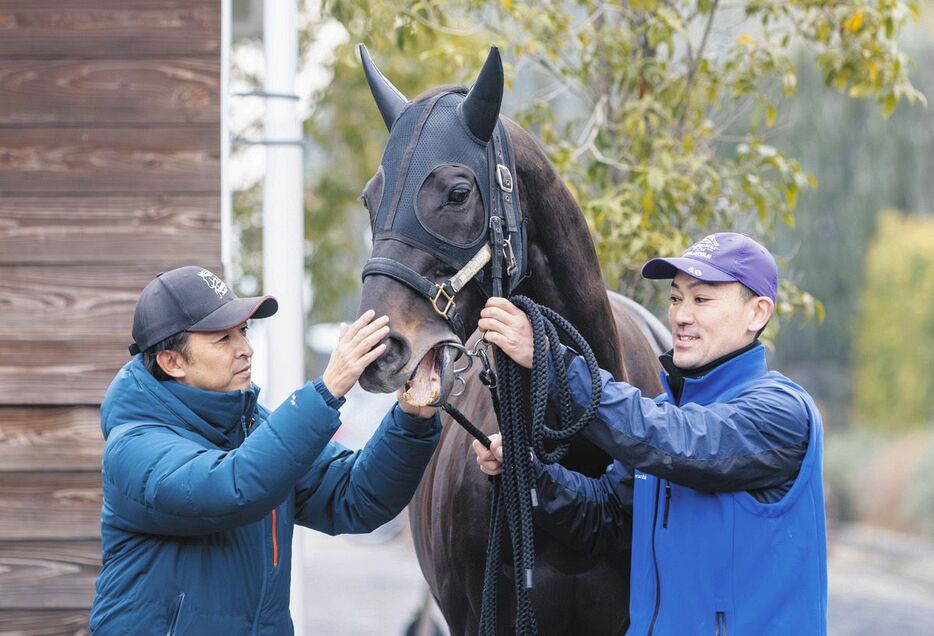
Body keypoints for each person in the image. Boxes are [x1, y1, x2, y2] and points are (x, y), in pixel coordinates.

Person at [473, 233, 827, 635]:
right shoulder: (664, 416)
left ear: (757, 313)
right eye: (676, 298)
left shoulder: (781, 412)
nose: (680, 316)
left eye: (701, 299)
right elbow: (603, 517)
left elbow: (681, 444)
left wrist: (551, 362)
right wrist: (527, 470)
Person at [89, 266, 440, 634]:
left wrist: (412, 417)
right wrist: (328, 388)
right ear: (172, 362)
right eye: (224, 339)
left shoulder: (252, 426)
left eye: (243, 331)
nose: (246, 348)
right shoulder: (133, 446)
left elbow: (355, 497)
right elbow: (233, 487)